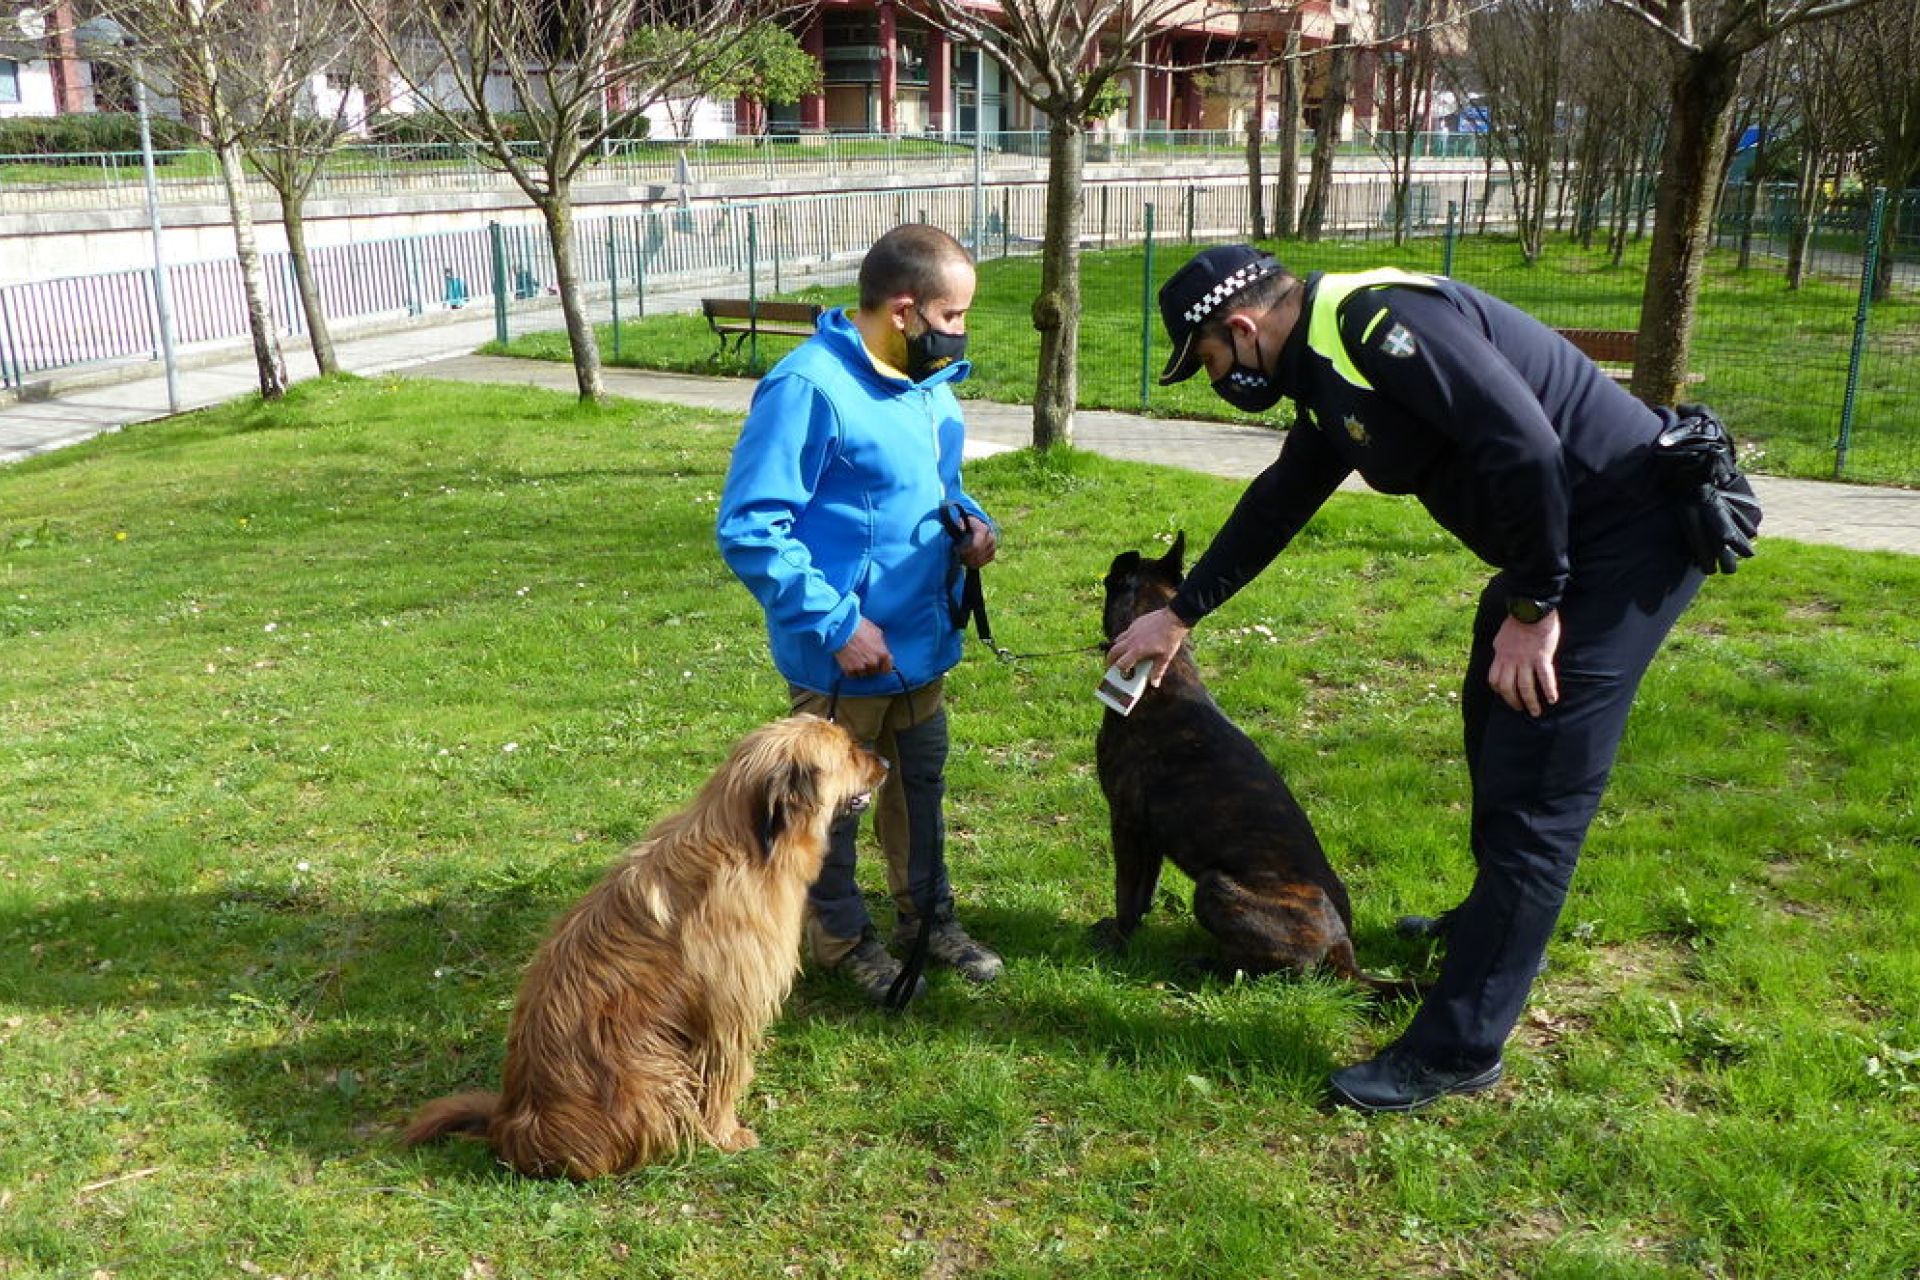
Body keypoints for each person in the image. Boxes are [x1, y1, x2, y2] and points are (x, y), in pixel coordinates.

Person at [1108, 245, 1756, 1111]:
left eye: (1213, 362)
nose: (1216, 378)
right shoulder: (1325, 360)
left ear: (1240, 326)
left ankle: (1458, 1049)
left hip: (1620, 542)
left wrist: (1533, 608)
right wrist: (1182, 610)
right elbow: (1285, 494)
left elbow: (1522, 442)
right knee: (1492, 723)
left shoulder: (1378, 326)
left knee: (1538, 798)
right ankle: (1485, 927)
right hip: (1565, 548)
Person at [716, 224, 1004, 1007]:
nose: (961, 334)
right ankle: (841, 937)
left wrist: (973, 527)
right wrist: (838, 624)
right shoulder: (808, 389)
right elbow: (750, 528)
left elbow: (936, 488)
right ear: (904, 310)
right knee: (832, 812)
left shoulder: (927, 386)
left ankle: (927, 919)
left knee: (921, 787)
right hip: (846, 661)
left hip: (923, 647)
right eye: (953, 317)